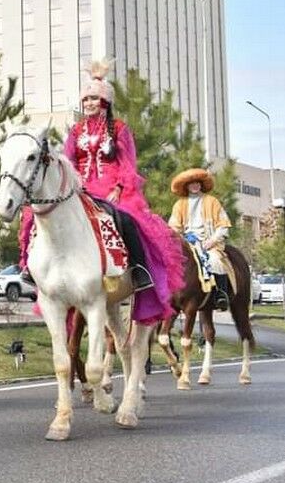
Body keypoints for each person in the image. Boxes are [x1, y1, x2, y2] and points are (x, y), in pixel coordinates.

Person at [19, 60, 183, 324]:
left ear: (105, 101)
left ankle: (139, 270)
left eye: (94, 99)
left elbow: (128, 162)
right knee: (34, 217)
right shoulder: (75, 130)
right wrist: (69, 184)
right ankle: (30, 268)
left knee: (129, 220)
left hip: (112, 186)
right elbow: (68, 160)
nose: (89, 104)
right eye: (86, 100)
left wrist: (119, 187)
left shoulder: (119, 129)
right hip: (79, 186)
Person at [168, 167, 233, 309]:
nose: (195, 185)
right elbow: (173, 227)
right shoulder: (180, 204)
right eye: (191, 183)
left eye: (197, 182)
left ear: (201, 184)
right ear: (186, 186)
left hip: (209, 242)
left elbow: (223, 225)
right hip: (187, 243)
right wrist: (180, 239)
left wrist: (212, 241)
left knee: (215, 260)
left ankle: (220, 294)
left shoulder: (212, 201)